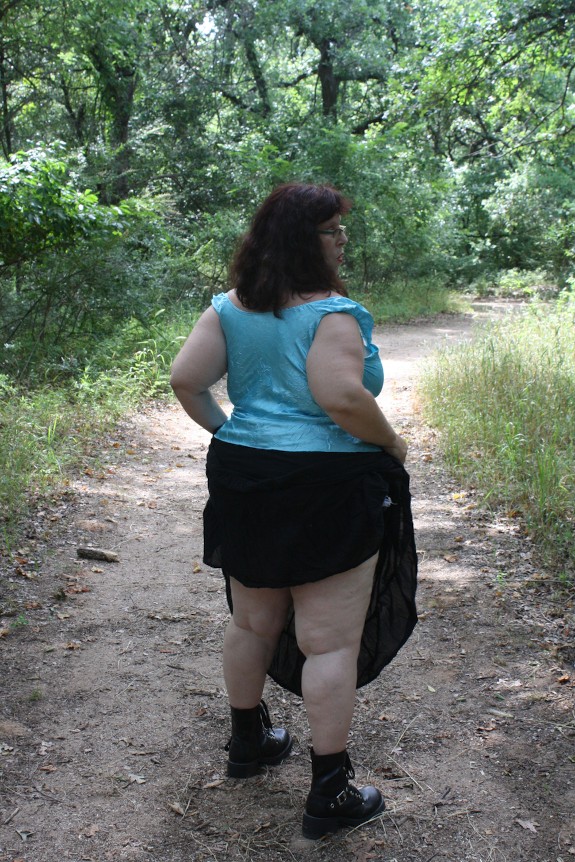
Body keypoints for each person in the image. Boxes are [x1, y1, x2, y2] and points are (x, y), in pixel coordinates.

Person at [170, 182, 418, 840]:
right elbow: (339, 396)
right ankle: (329, 793)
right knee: (327, 639)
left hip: (245, 472)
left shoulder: (232, 307)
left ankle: (248, 743)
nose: (344, 242)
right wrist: (388, 439)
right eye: (335, 231)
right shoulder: (334, 315)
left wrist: (233, 433)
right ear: (307, 241)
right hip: (326, 481)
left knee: (252, 622)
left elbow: (185, 381)